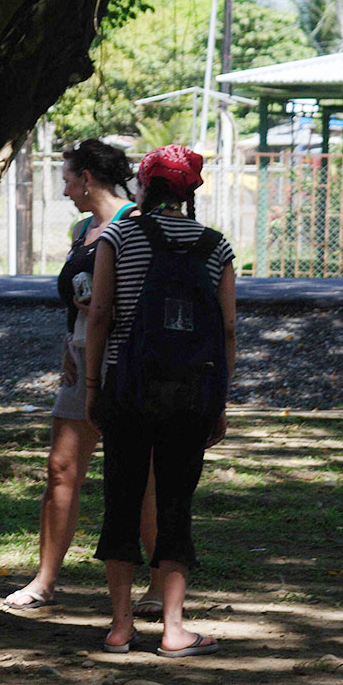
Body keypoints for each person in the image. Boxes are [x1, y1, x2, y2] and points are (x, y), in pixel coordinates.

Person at [83, 145, 236, 657]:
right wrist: (219, 401)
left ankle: (121, 627)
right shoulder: (216, 247)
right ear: (190, 190)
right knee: (175, 504)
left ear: (146, 186)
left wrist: (91, 387)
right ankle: (174, 629)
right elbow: (228, 329)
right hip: (192, 395)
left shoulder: (119, 236)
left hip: (126, 387)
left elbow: (99, 315)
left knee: (122, 499)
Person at [5, 139, 163, 615]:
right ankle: (45, 580)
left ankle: (158, 587)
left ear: (88, 179)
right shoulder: (82, 228)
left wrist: (104, 315)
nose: (67, 190)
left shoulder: (136, 224)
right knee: (60, 468)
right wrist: (70, 345)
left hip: (126, 365)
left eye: (69, 180)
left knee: (144, 479)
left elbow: (143, 297)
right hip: (80, 359)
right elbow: (75, 296)